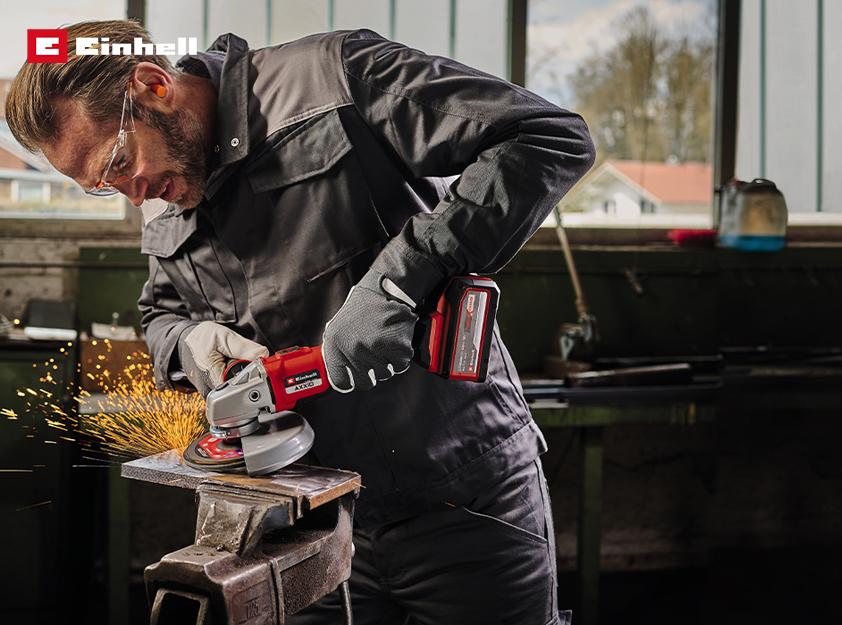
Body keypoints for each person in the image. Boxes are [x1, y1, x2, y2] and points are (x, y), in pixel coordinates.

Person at [5, 19, 594, 625]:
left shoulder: (333, 77)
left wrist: (399, 283)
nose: (132, 194)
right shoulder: (160, 186)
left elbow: (545, 136)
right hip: (302, 519)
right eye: (103, 187)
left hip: (459, 498)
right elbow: (160, 314)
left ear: (154, 85)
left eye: (119, 162)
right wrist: (188, 342)